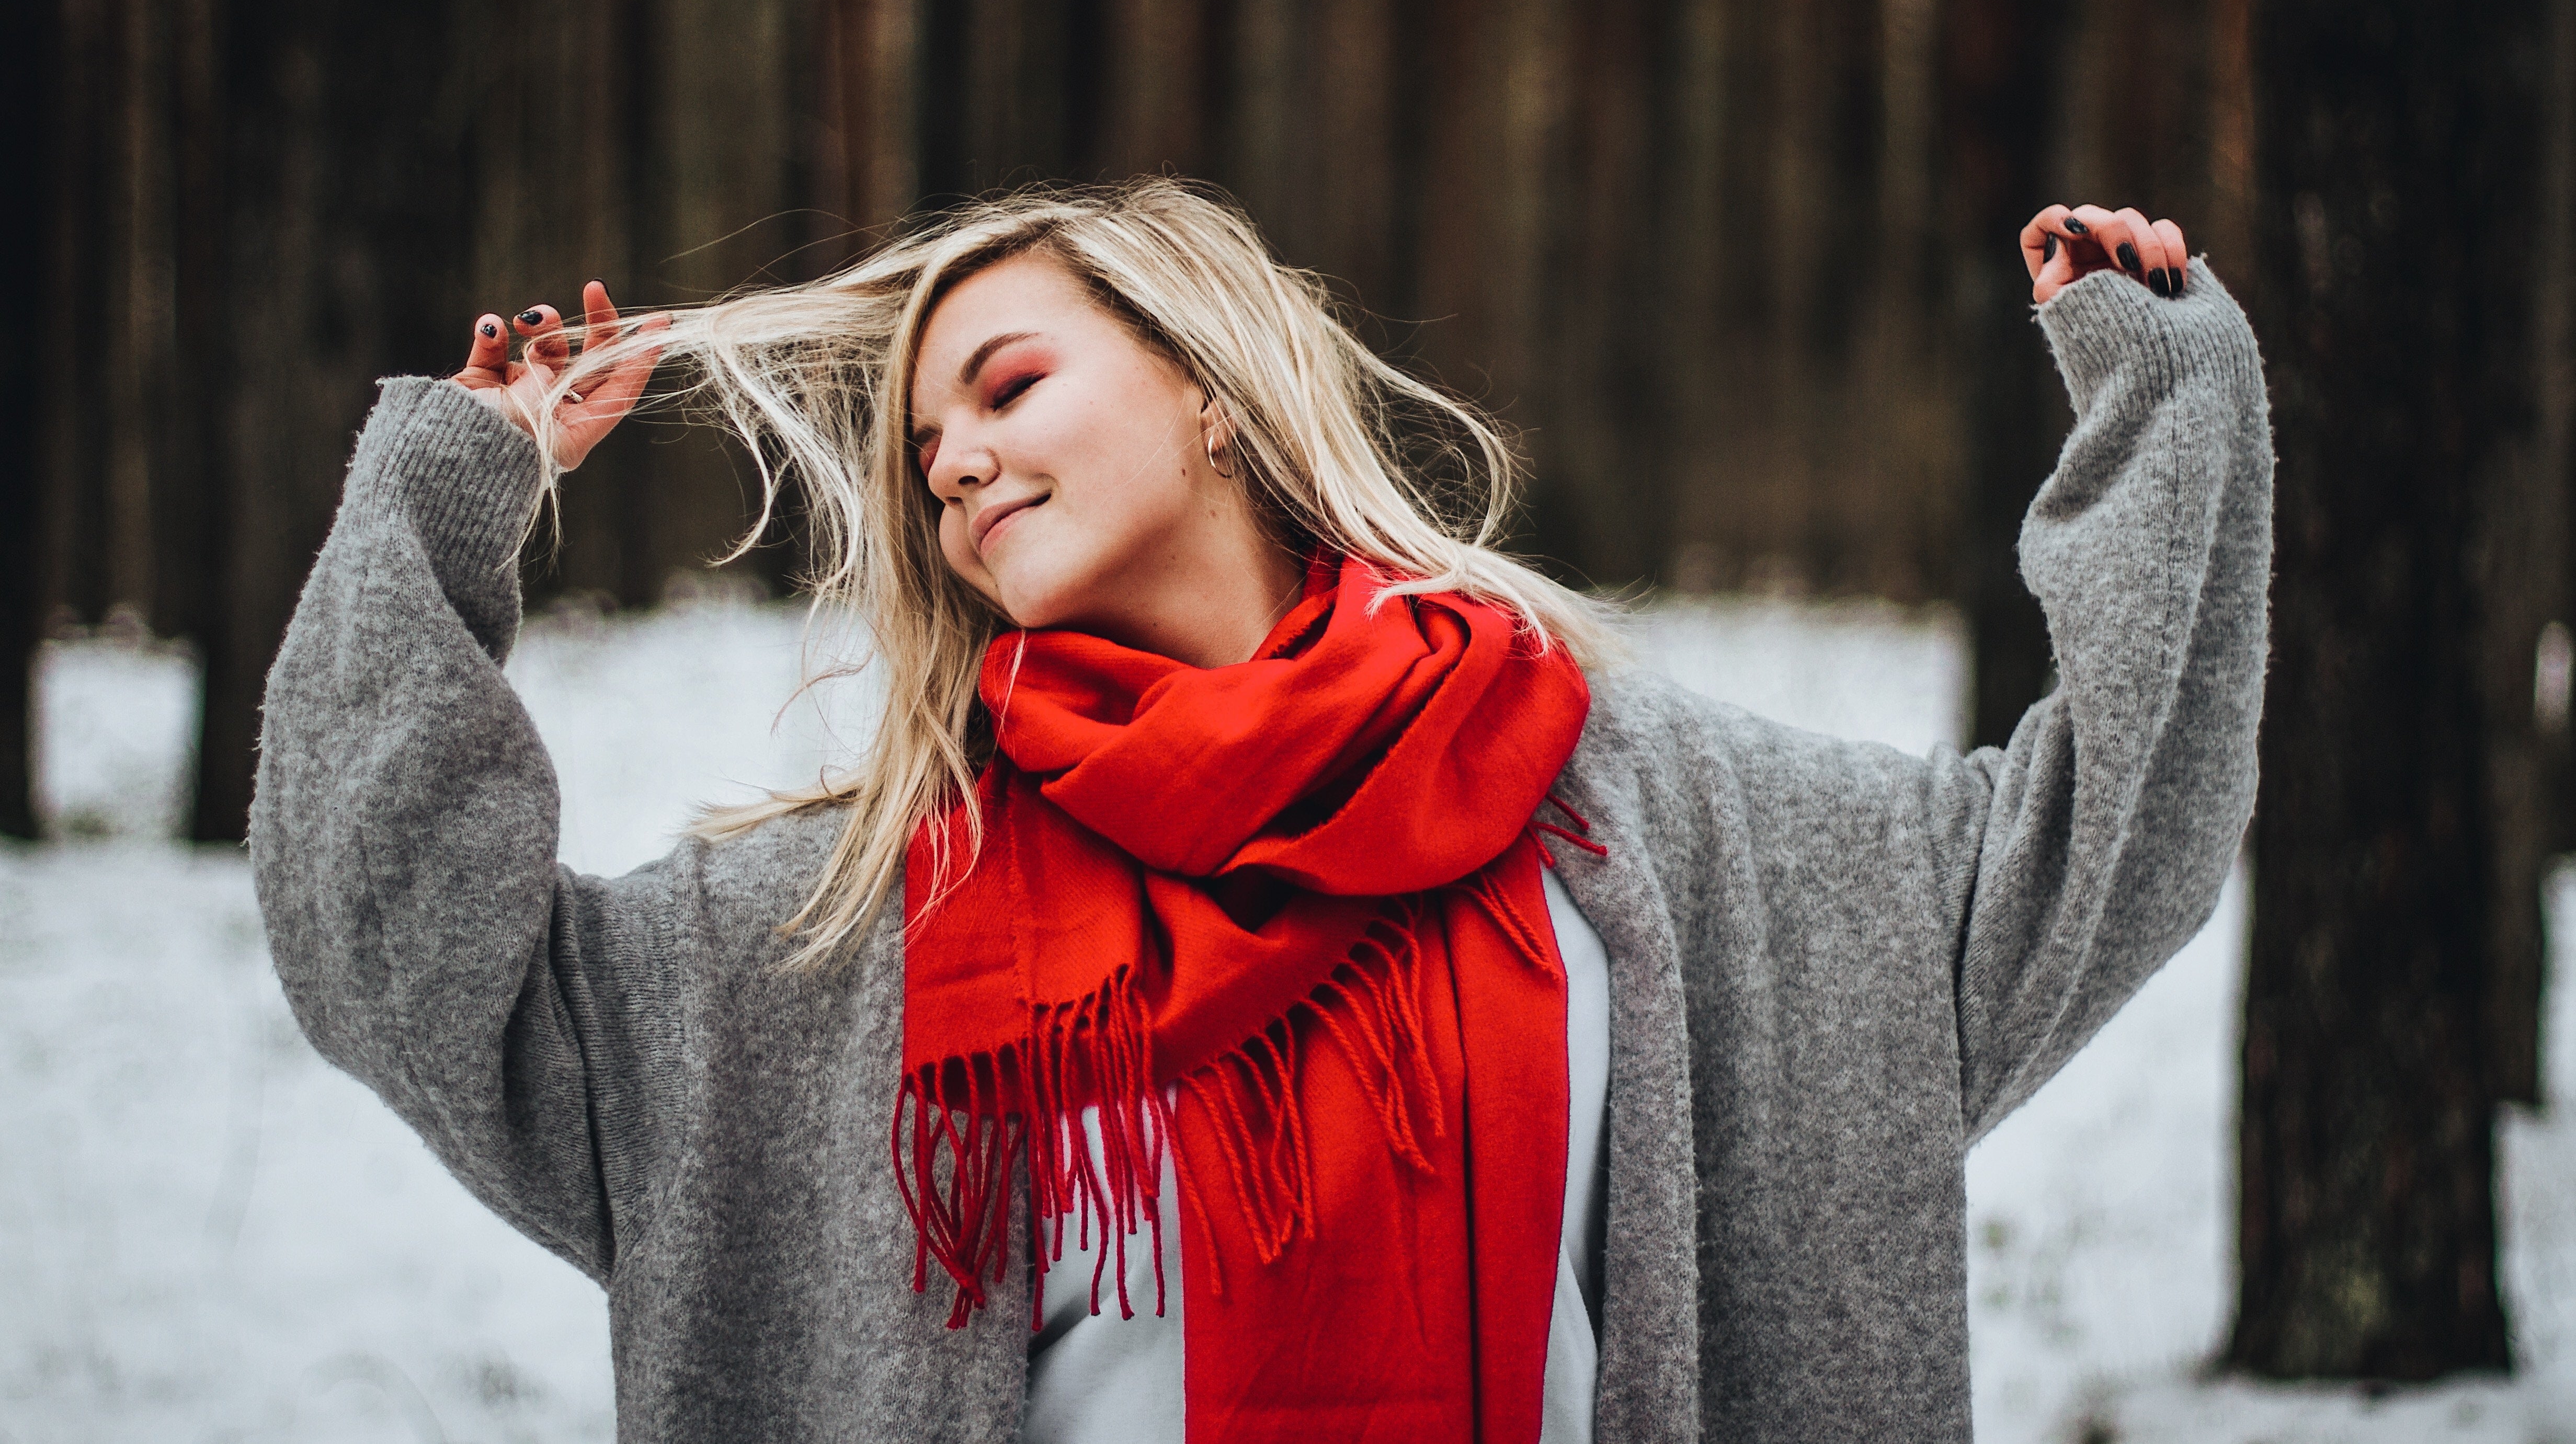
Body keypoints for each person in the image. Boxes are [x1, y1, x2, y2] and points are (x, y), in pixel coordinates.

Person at [252, 180, 2269, 1444]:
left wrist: (2166, 408)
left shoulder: (1620, 800)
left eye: (1012, 384)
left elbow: (2089, 862)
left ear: (1209, 385)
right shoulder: (869, 910)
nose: (954, 460)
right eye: (927, 441)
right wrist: (448, 504)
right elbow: (408, 962)